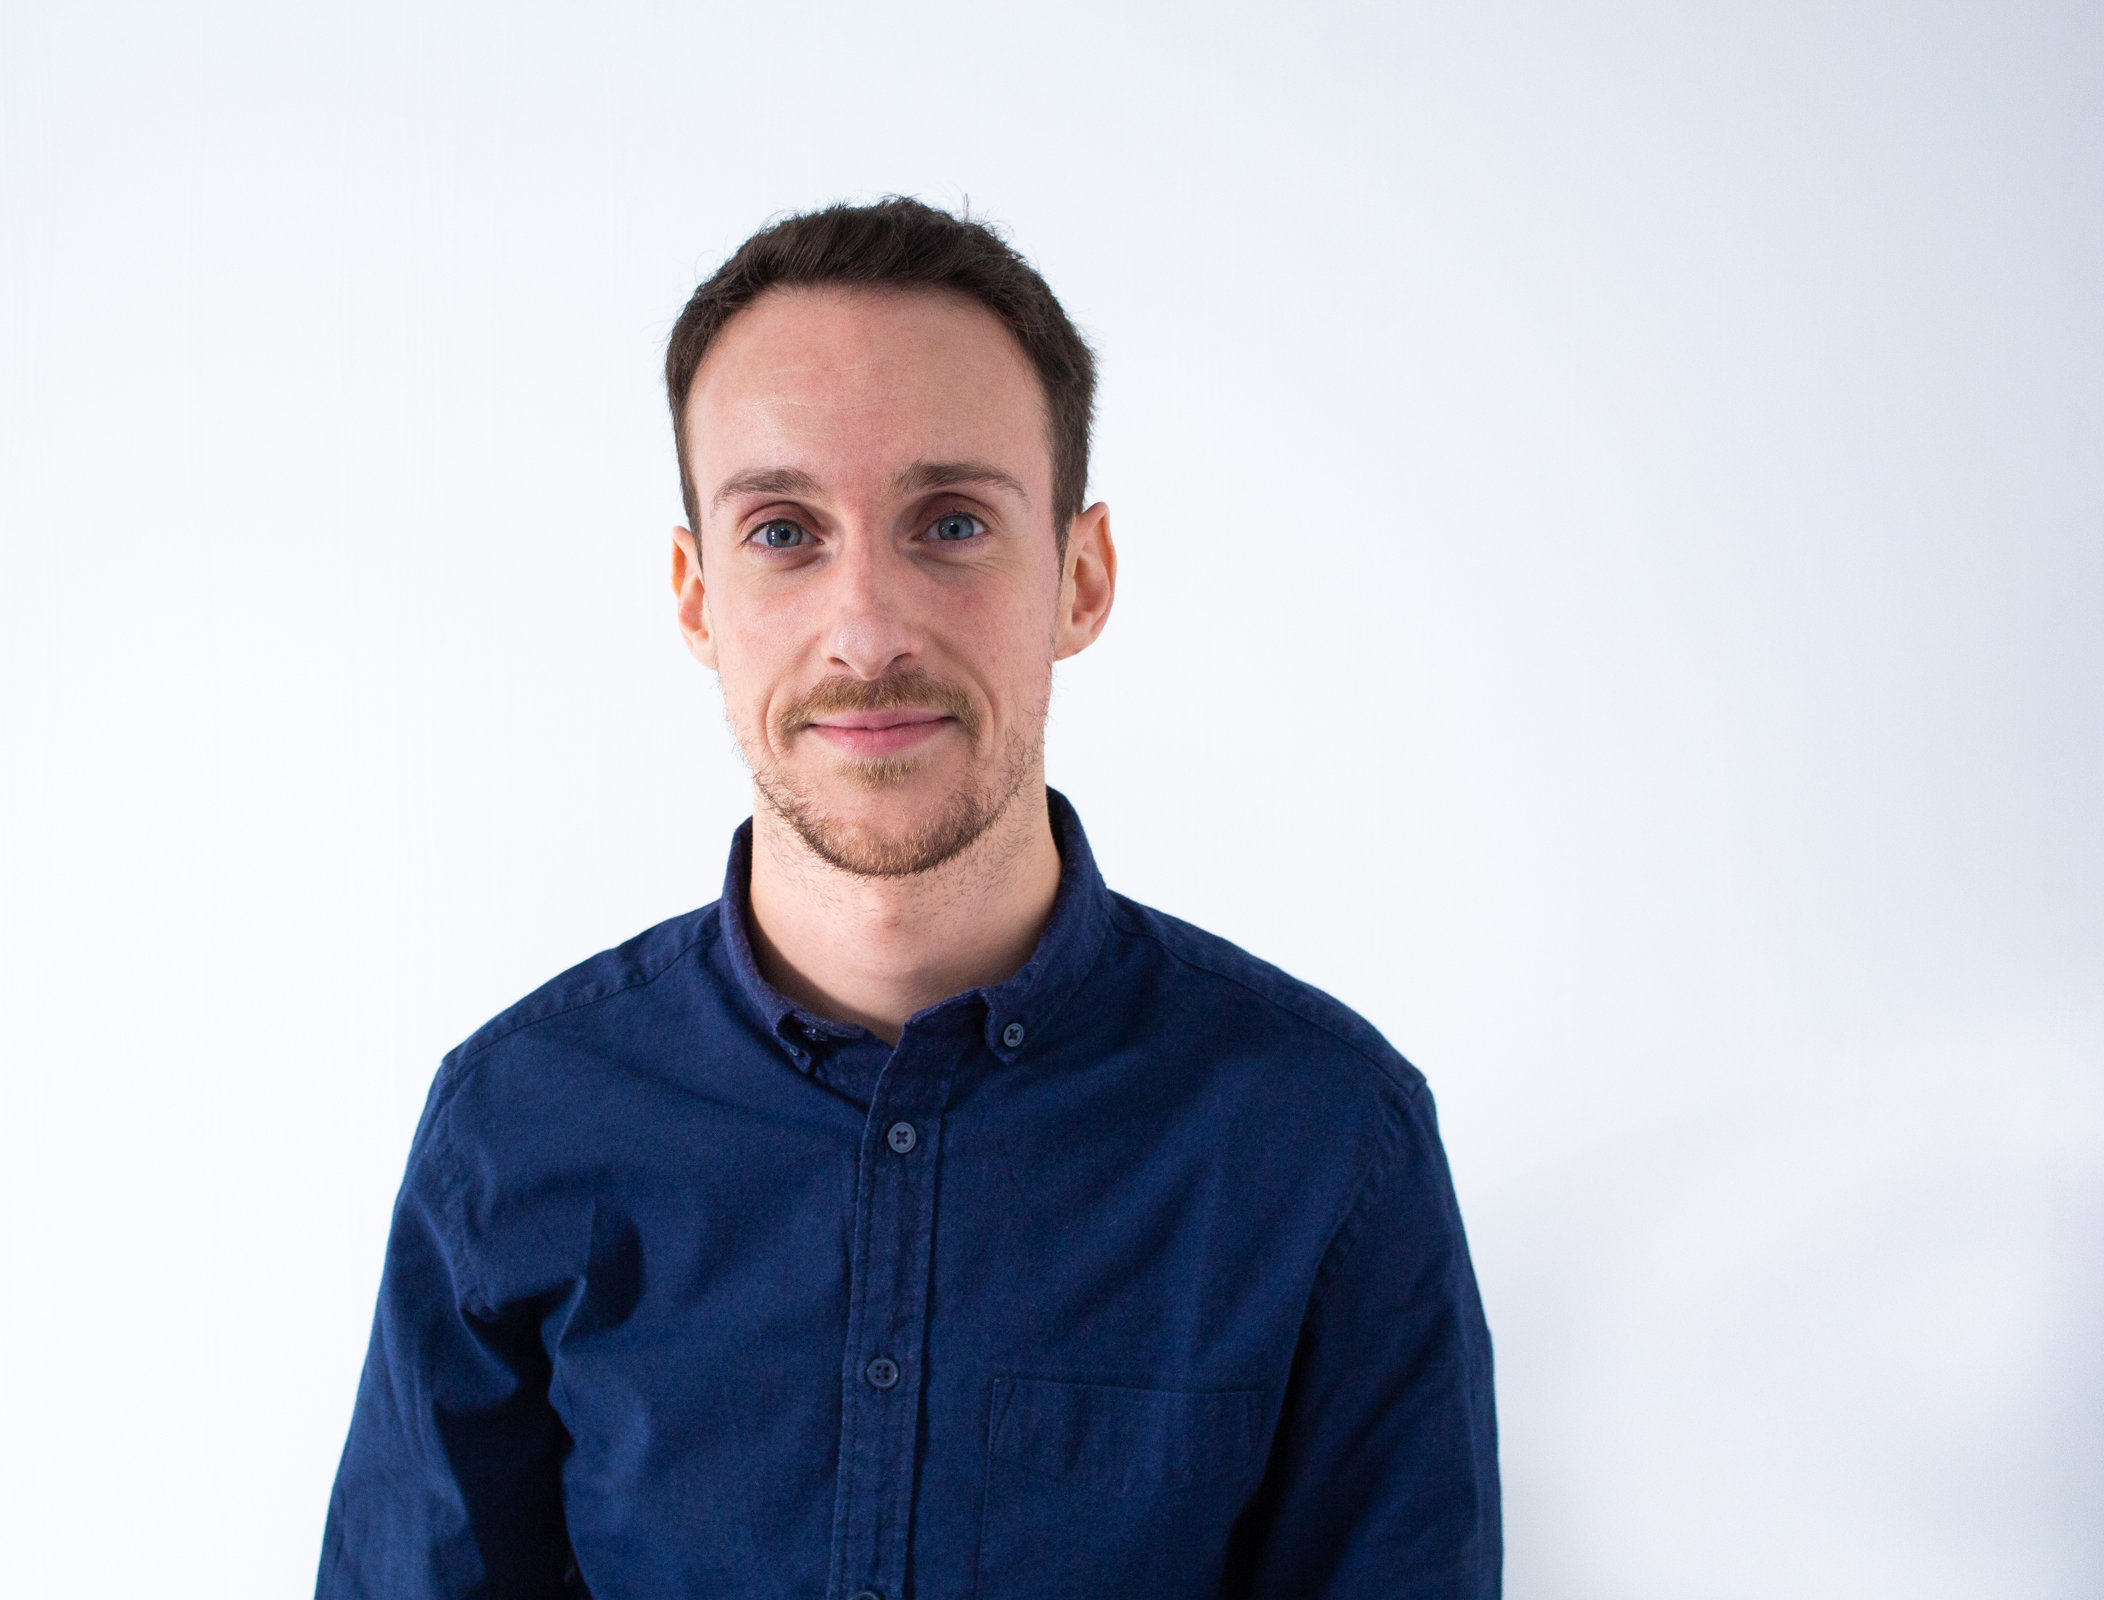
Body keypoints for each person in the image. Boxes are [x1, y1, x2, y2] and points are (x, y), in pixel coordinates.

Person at [317, 197, 1501, 1600]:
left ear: (1079, 577)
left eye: (950, 523)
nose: (868, 632)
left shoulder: (1326, 1143)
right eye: (782, 531)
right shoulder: (515, 1126)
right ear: (696, 597)